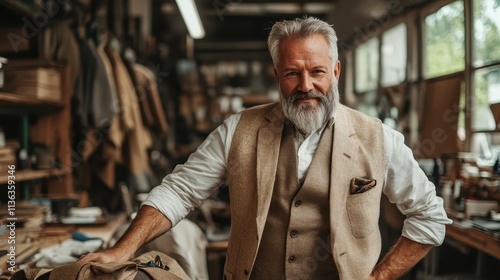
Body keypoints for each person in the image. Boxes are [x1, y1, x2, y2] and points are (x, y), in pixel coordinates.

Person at [79, 16, 452, 279]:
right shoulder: (239, 129)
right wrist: (122, 250)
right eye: (292, 73)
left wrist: (379, 278)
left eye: (317, 72)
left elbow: (430, 216)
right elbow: (179, 191)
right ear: (277, 76)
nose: (305, 85)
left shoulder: (377, 137)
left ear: (336, 72)